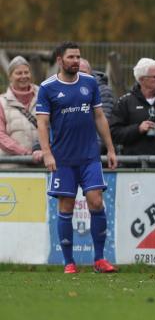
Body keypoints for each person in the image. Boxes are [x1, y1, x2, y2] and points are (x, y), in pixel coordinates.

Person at [36, 42, 118, 274]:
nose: (75, 61)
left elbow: (100, 117)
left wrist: (110, 149)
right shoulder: (47, 87)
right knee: (66, 207)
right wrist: (47, 152)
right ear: (60, 60)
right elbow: (42, 122)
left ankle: (100, 259)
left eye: (78, 57)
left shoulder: (90, 83)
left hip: (89, 157)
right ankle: (69, 263)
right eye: (71, 57)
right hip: (63, 159)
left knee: (96, 202)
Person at [0, 56, 42, 168]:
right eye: (18, 73)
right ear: (10, 77)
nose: (23, 76)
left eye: (26, 72)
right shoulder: (1, 102)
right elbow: (1, 135)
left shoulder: (44, 96)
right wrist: (26, 153)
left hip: (43, 163)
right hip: (13, 166)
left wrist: (42, 150)